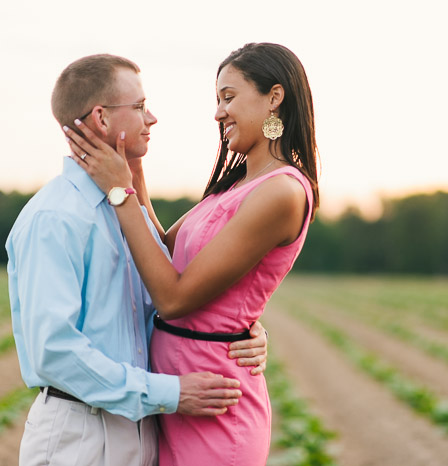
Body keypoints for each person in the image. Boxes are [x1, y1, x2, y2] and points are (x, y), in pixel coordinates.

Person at [6, 54, 269, 466]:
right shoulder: (54, 217)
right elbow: (53, 351)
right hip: (80, 436)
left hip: (144, 431)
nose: (153, 118)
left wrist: (241, 332)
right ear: (102, 119)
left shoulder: (125, 212)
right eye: (141, 107)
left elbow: (162, 307)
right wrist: (172, 393)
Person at [65, 42, 319, 466]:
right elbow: (163, 250)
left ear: (274, 97)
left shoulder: (282, 192)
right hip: (176, 396)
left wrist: (119, 191)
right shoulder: (235, 185)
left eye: (229, 97)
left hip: (215, 406)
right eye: (218, 100)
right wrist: (134, 173)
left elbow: (174, 297)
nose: (218, 112)